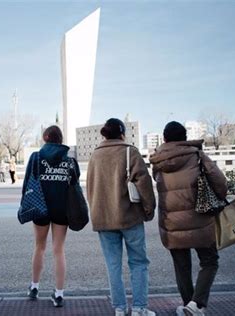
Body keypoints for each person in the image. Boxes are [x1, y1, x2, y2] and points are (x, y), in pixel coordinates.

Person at [149, 121, 228, 316]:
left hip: (172, 224)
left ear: (165, 138)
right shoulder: (197, 155)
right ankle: (196, 304)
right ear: (185, 138)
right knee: (209, 261)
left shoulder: (157, 162)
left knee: (182, 267)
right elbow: (221, 184)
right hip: (201, 219)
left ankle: (189, 305)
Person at [87, 118, 156, 316]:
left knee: (113, 265)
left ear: (104, 134)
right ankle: (139, 308)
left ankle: (119, 308)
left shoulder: (95, 155)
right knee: (138, 262)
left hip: (104, 219)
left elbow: (91, 187)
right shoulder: (129, 152)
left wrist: (96, 212)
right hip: (130, 217)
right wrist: (149, 209)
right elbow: (144, 183)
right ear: (122, 133)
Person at [22, 125, 80, 308]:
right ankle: (59, 293)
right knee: (58, 250)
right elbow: (75, 185)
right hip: (62, 209)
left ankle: (34, 287)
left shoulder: (36, 157)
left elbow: (27, 183)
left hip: (40, 207)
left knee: (39, 246)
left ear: (45, 138)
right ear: (60, 139)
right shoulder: (70, 161)